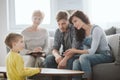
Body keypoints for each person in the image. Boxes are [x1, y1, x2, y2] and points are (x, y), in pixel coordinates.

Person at [64, 10, 113, 80]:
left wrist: (74, 51)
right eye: (73, 23)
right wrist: (73, 51)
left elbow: (91, 51)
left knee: (83, 57)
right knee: (76, 62)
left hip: (105, 55)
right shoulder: (82, 33)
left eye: (75, 21)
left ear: (82, 18)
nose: (74, 25)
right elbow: (86, 50)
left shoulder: (96, 29)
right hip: (94, 55)